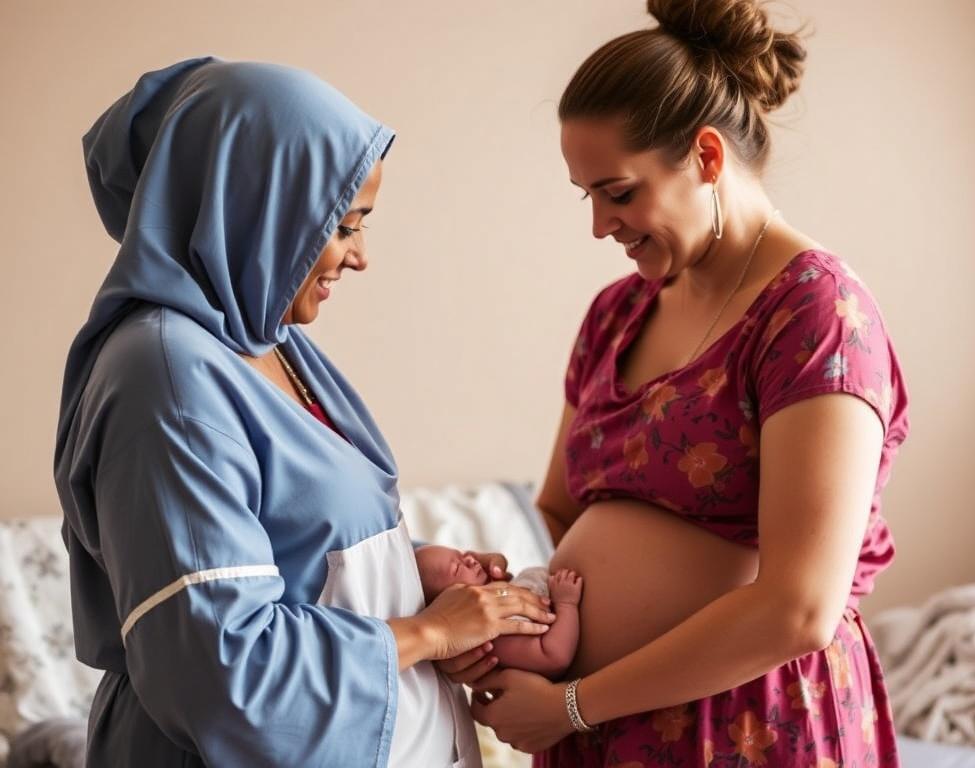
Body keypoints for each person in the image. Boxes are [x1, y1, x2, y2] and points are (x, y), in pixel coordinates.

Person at [53, 57, 554, 768]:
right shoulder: (162, 378)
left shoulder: (261, 342)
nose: (359, 258)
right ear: (256, 205)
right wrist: (426, 635)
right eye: (346, 226)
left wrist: (417, 575)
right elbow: (216, 668)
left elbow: (278, 557)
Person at [466, 1, 910, 765]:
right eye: (588, 196)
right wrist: (511, 611)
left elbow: (799, 608)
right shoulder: (617, 314)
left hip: (747, 728)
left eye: (619, 191)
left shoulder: (816, 316)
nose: (601, 226)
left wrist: (571, 705)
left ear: (706, 157)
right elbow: (559, 507)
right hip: (596, 728)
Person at [412, 546, 583, 678]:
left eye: (463, 555)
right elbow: (555, 657)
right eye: (457, 568)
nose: (471, 559)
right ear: (447, 605)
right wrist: (566, 604)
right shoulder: (496, 634)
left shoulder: (507, 592)